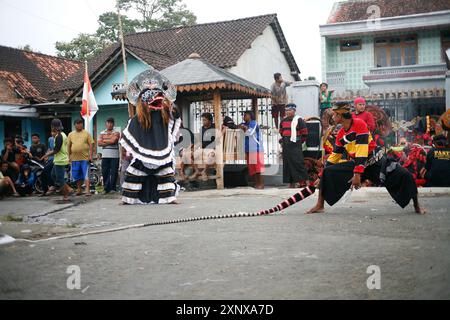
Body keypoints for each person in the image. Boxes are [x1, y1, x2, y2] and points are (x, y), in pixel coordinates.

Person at [307, 102, 425, 215]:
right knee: (328, 172)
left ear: (340, 115)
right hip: (357, 164)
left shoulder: (359, 124)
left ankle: (416, 205)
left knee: (405, 175)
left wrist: (357, 175)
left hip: (374, 161)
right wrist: (321, 175)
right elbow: (334, 157)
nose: (333, 117)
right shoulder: (341, 134)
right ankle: (320, 205)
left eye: (334, 114)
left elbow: (362, 150)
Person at [120, 69, 181, 205]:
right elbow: (130, 131)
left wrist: (163, 95)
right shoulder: (138, 118)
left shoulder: (164, 114)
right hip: (143, 152)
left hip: (161, 147)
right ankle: (127, 199)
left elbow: (175, 113)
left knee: (165, 172)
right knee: (134, 171)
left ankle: (169, 198)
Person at [279, 103, 309, 188]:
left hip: (296, 145)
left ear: (294, 111)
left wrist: (298, 142)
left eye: (290, 110)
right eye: (286, 110)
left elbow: (304, 133)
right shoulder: (283, 121)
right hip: (286, 144)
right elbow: (281, 132)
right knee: (287, 164)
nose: (288, 112)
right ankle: (291, 183)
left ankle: (306, 182)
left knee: (298, 162)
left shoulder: (299, 120)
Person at [41, 119, 71, 202]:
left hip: (60, 160)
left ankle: (65, 195)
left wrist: (46, 154)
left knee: (60, 179)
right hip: (58, 159)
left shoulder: (59, 136)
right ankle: (68, 188)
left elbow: (56, 150)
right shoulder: (62, 134)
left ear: (53, 126)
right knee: (53, 175)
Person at [67, 119, 94, 197]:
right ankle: (79, 189)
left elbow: (91, 144)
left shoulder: (87, 133)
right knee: (77, 175)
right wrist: (69, 156)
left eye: (81, 123)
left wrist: (91, 156)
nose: (79, 125)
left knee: (86, 175)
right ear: (74, 125)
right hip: (74, 159)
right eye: (78, 123)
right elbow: (68, 146)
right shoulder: (71, 134)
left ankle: (87, 190)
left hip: (85, 158)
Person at [239, 111, 265, 189]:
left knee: (258, 168)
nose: (244, 116)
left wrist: (243, 128)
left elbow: (249, 133)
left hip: (256, 148)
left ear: (250, 116)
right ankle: (256, 183)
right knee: (252, 168)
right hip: (248, 148)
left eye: (245, 115)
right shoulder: (244, 124)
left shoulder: (254, 123)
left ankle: (261, 184)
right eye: (243, 115)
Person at [98, 118, 120, 194]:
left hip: (114, 156)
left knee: (114, 172)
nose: (109, 124)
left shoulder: (116, 132)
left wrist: (104, 141)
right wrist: (109, 141)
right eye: (108, 123)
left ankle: (113, 188)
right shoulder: (102, 132)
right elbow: (99, 143)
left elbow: (114, 141)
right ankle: (106, 188)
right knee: (105, 172)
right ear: (106, 124)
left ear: (113, 124)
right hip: (105, 155)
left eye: (111, 123)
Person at [193, 112, 217, 181]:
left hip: (211, 149)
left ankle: (204, 171)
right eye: (202, 120)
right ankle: (197, 171)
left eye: (204, 120)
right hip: (203, 149)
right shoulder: (202, 129)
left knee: (211, 155)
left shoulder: (214, 127)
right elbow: (199, 142)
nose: (203, 121)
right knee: (191, 154)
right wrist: (194, 149)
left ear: (210, 121)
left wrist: (224, 129)